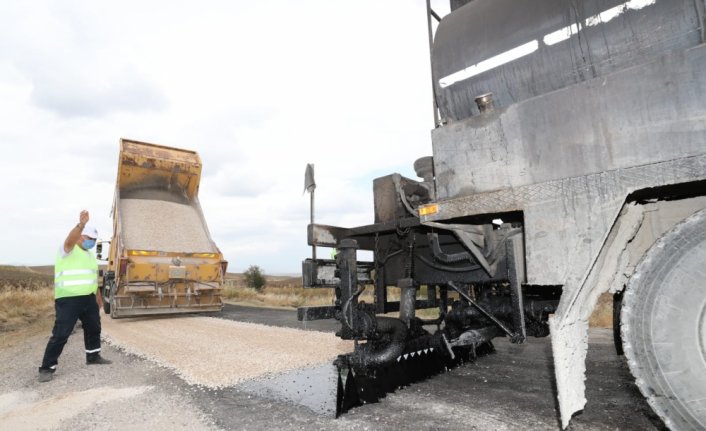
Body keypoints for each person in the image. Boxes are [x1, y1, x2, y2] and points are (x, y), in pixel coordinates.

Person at [38, 210, 111, 382]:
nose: (91, 243)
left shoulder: (89, 255)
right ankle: (46, 368)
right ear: (80, 237)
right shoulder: (67, 250)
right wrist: (81, 225)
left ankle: (93, 356)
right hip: (68, 299)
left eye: (93, 241)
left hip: (88, 298)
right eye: (88, 239)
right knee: (62, 333)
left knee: (94, 327)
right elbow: (69, 240)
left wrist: (97, 296)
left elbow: (93, 277)